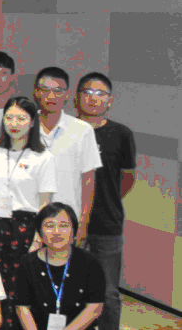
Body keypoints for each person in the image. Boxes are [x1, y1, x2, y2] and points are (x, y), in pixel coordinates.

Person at [0, 96, 57, 330]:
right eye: (9, 117)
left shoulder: (43, 157)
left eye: (21, 118)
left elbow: (45, 204)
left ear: (32, 122)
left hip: (25, 228)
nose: (14, 123)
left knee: (21, 288)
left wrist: (38, 238)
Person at [74, 72, 135, 330]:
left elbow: (127, 179)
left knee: (108, 294)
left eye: (100, 93)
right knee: (74, 292)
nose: (93, 98)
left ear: (110, 100)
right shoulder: (68, 130)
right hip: (68, 224)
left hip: (107, 225)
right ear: (77, 98)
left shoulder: (121, 134)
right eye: (87, 92)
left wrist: (106, 200)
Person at [31, 68, 101, 253]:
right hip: (29, 219)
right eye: (45, 90)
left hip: (67, 222)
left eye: (58, 90)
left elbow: (88, 180)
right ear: (36, 92)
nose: (51, 96)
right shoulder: (25, 126)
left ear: (67, 95)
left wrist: (83, 223)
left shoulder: (83, 130)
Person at [15, 203, 105, 330]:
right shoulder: (27, 263)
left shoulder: (90, 263)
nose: (56, 232)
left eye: (64, 226)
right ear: (39, 232)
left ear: (74, 231)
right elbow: (22, 307)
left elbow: (95, 307)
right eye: (49, 226)